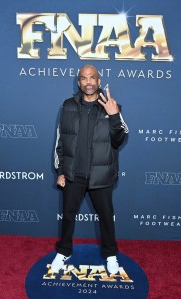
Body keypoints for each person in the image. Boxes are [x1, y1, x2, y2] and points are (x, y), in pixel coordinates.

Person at [51, 65, 129, 274]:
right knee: (67, 215)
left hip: (101, 175)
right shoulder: (67, 106)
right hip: (73, 174)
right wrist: (60, 171)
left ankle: (111, 255)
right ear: (79, 83)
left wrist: (114, 116)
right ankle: (64, 250)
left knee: (106, 216)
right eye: (84, 78)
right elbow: (61, 141)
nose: (88, 82)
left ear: (99, 81)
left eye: (92, 78)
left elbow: (120, 139)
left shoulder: (111, 106)